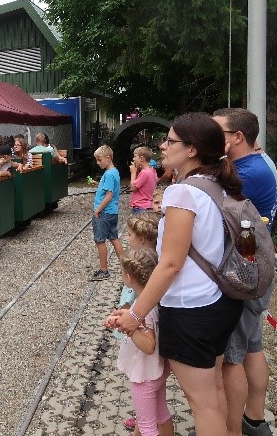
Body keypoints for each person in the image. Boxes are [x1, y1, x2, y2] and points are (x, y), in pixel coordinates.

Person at [114, 112, 245, 434]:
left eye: (170, 141)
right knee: (213, 393)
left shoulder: (182, 192)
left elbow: (170, 263)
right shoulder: (218, 185)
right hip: (219, 301)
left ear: (192, 149)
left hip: (191, 310)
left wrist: (135, 313)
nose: (162, 145)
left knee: (203, 404)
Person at [212, 108, 277, 436]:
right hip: (258, 270)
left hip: (243, 276)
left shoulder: (245, 174)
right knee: (252, 347)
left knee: (230, 359)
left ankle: (229, 429)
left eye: (217, 133)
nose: (211, 139)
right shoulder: (262, 162)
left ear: (237, 137)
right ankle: (254, 420)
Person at [104, 248, 174, 436]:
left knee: (147, 427)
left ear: (128, 277)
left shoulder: (141, 308)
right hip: (157, 370)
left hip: (144, 375)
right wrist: (123, 317)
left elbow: (149, 345)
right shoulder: (154, 300)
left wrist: (129, 328)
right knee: (162, 415)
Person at [91, 145, 124, 281]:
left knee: (100, 241)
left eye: (99, 160)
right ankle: (125, 266)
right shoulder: (114, 171)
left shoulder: (109, 174)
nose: (98, 163)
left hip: (104, 213)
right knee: (114, 238)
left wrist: (97, 211)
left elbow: (109, 196)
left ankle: (104, 270)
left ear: (108, 158)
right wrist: (97, 184)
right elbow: (109, 190)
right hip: (112, 212)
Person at [129, 146, 158, 214]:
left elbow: (133, 188)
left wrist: (133, 173)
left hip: (140, 206)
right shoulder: (153, 171)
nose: (133, 159)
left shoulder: (144, 173)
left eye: (135, 156)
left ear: (141, 158)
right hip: (148, 205)